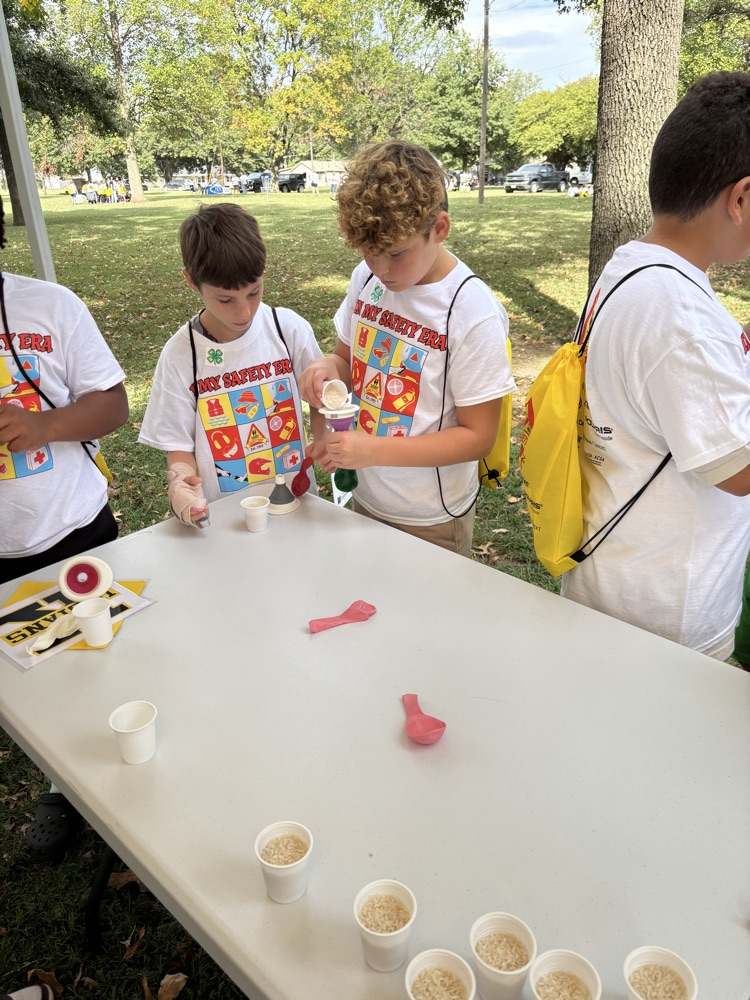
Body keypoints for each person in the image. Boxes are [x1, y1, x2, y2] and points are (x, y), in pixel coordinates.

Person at [561, 71, 750, 660]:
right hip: (667, 620)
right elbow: (739, 471)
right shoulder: (683, 319)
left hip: (611, 584)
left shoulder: (631, 268)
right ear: (741, 198)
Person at [298, 140, 515, 558]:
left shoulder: (470, 311)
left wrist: (372, 449)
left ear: (439, 229)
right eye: (368, 253)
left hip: (430, 519)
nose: (380, 269)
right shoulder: (367, 278)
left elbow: (478, 437)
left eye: (395, 254)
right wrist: (328, 367)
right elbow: (347, 359)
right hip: (367, 495)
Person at [0, 194, 129, 860]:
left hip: (74, 532)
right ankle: (58, 771)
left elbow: (112, 403)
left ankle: (75, 789)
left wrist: (44, 426)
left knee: (96, 665)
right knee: (28, 682)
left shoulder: (50, 306)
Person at [139, 203, 324, 525]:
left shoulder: (287, 329)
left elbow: (322, 398)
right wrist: (180, 483)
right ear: (192, 281)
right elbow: (179, 445)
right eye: (225, 299)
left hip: (298, 504)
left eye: (254, 293)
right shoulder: (181, 354)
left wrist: (322, 437)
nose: (244, 313)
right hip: (227, 515)